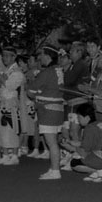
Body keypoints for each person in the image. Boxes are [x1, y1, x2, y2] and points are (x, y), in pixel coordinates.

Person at [27, 46, 65, 180]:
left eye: (41, 55)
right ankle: (53, 168)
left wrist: (31, 81)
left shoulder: (46, 72)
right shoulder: (60, 70)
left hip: (47, 110)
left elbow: (30, 92)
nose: (39, 58)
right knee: (54, 141)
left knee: (51, 142)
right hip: (58, 109)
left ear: (48, 56)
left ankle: (55, 170)